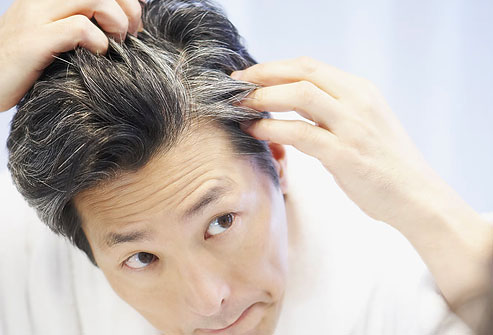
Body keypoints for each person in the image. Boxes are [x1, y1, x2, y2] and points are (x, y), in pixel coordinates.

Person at [0, 0, 491, 334]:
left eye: (221, 222)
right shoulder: (26, 249)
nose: (208, 300)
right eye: (142, 258)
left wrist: (429, 209)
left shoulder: (394, 268)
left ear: (277, 162)